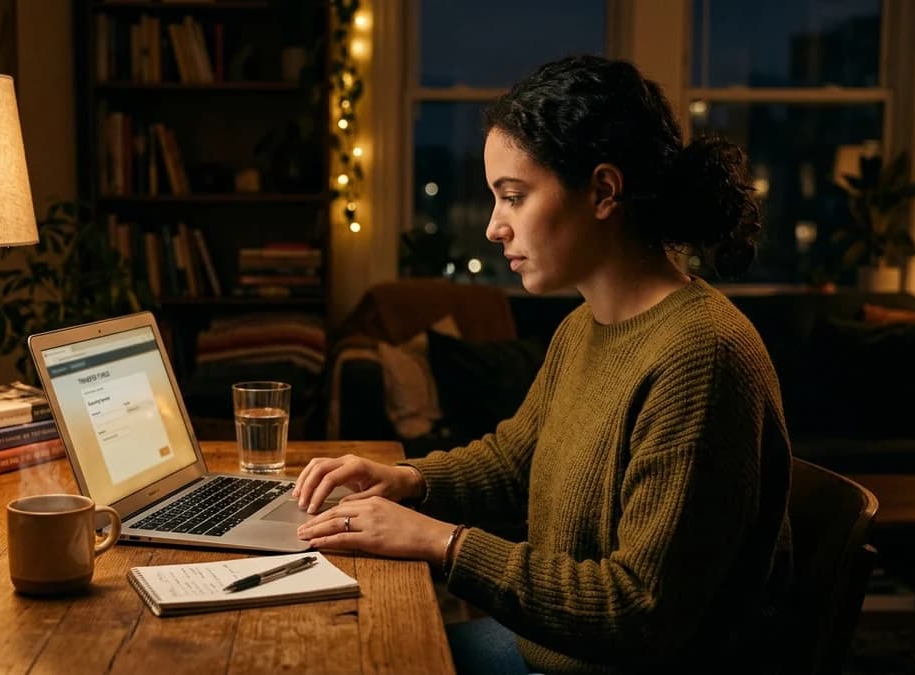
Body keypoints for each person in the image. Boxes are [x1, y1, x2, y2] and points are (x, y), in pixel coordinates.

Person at [293, 54, 792, 674]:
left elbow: (637, 609)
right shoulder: (583, 326)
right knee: (353, 648)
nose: (494, 228)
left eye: (514, 197)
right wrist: (408, 480)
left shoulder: (701, 354)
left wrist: (441, 543)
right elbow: (514, 462)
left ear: (603, 192)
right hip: (555, 651)